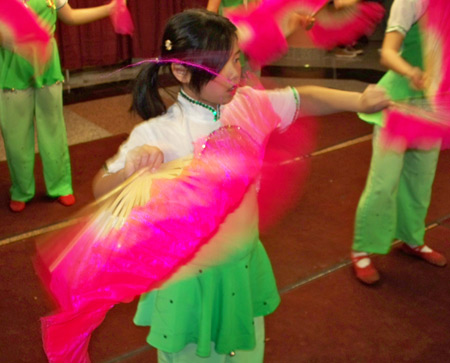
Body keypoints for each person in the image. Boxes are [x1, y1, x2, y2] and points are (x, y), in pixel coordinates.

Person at [91, 9, 389, 362]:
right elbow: (101, 189)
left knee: (246, 352)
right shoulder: (159, 134)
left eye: (235, 58)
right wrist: (129, 171)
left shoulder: (248, 105)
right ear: (181, 71)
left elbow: (304, 98)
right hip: (189, 284)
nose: (234, 72)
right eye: (220, 65)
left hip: (241, 267)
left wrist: (359, 101)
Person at [351, 0, 447, 285]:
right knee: (383, 182)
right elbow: (388, 53)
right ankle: (361, 248)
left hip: (432, 108)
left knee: (421, 180)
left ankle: (412, 239)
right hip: (397, 105)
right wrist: (412, 73)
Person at [0, 0, 118, 213]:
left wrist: (108, 9)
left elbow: (70, 17)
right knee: (15, 135)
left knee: (53, 129)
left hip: (47, 69)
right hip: (13, 72)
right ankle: (21, 190)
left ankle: (60, 185)